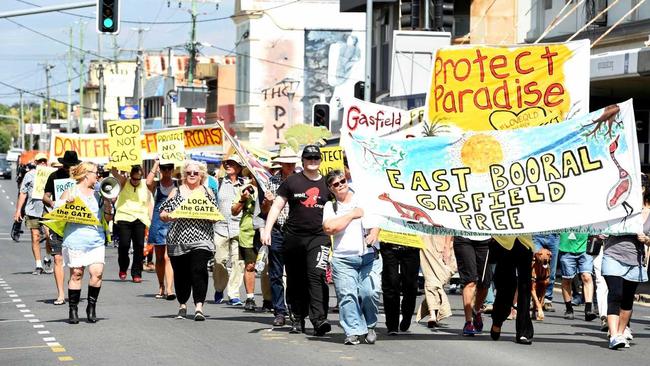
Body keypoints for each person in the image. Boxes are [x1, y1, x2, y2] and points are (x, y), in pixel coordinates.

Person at [261, 144, 332, 336]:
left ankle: (319, 320)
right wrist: (267, 230)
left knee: (316, 276)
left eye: (316, 158)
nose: (312, 161)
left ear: (320, 160)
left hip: (319, 238)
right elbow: (276, 206)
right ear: (303, 161)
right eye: (309, 158)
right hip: (293, 238)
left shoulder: (327, 184)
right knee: (295, 279)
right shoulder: (292, 181)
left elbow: (343, 203)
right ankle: (297, 318)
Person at [322, 169, 381, 345]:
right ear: (330, 188)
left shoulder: (363, 199)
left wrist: (374, 234)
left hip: (369, 257)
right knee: (347, 295)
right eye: (336, 184)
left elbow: (377, 220)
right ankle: (353, 331)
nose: (341, 185)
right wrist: (351, 215)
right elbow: (330, 228)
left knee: (369, 292)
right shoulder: (330, 207)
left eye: (343, 181)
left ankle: (370, 325)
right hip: (343, 258)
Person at [159, 160, 218, 321]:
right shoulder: (176, 191)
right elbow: (162, 213)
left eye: (195, 173)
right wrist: (169, 215)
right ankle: (183, 304)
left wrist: (210, 216)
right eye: (189, 173)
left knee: (199, 270)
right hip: (178, 240)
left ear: (201, 176)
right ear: (184, 175)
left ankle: (199, 306)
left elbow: (216, 215)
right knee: (182, 274)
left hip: (202, 239)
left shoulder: (208, 192)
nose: (192, 175)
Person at [59, 162, 113, 324]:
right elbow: (58, 214)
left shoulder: (99, 194)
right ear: (85, 174)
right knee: (77, 273)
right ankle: (73, 309)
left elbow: (108, 218)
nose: (98, 175)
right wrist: (66, 203)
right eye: (96, 172)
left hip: (96, 240)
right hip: (75, 240)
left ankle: (91, 307)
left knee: (97, 273)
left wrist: (109, 202)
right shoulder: (71, 192)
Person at [602, 175, 650, 349]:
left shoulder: (648, 212)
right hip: (613, 255)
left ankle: (621, 333)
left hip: (634, 260)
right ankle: (614, 335)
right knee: (615, 293)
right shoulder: (620, 206)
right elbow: (605, 223)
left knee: (627, 299)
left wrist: (646, 240)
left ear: (643, 189)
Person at [260, 146, 299, 326]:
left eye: (292, 163)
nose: (290, 166)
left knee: (293, 272)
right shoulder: (273, 181)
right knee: (275, 273)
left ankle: (293, 308)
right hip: (277, 229)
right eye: (287, 163)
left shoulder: (301, 180)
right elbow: (264, 210)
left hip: (295, 230)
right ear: (281, 164)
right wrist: (267, 201)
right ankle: (279, 311)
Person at [43, 151, 81, 306]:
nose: (68, 168)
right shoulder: (54, 176)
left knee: (74, 260)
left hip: (75, 221)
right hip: (57, 220)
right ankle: (61, 294)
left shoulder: (80, 179)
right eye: (66, 166)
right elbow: (45, 196)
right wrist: (52, 203)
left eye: (71, 166)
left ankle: (74, 288)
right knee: (58, 258)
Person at [111, 165, 153, 283]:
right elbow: (114, 173)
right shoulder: (125, 182)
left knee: (139, 246)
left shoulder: (145, 185)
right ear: (130, 176)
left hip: (140, 218)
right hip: (124, 216)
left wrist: (155, 163)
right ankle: (123, 267)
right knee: (124, 245)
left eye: (138, 179)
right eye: (133, 178)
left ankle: (136, 272)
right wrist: (114, 162)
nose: (135, 181)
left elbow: (149, 203)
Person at [489, 236, 535, 345]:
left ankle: (523, 331)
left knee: (525, 287)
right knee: (506, 287)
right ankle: (498, 319)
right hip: (503, 242)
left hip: (524, 242)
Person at [213, 155, 245, 306]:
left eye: (232, 164)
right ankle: (219, 288)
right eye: (227, 163)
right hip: (220, 227)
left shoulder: (245, 183)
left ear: (239, 168)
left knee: (238, 262)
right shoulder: (218, 182)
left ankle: (234, 294)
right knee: (219, 260)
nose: (228, 166)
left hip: (239, 228)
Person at [13, 154, 53, 276]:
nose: (42, 163)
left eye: (44, 161)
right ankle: (38, 265)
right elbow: (23, 193)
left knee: (48, 235)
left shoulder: (50, 174)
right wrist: (18, 210)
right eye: (40, 161)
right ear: (35, 162)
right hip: (32, 209)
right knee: (35, 237)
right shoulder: (29, 175)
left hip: (47, 209)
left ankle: (47, 257)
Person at [231, 168, 265, 311]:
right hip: (249, 231)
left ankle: (269, 299)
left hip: (268, 230)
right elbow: (234, 211)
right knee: (250, 265)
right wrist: (243, 199)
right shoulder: (246, 189)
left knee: (269, 268)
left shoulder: (272, 186)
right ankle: (250, 297)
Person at [146, 161, 177, 300]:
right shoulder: (156, 185)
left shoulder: (177, 184)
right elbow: (148, 182)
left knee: (168, 256)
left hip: (172, 221)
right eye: (164, 168)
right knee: (159, 257)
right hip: (158, 222)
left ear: (172, 169)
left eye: (169, 168)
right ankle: (161, 286)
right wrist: (156, 164)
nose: (167, 171)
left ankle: (170, 288)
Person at [453, 235, 493, 336]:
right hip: (463, 237)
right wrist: (446, 247)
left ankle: (476, 310)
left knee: (485, 284)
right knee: (469, 281)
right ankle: (468, 322)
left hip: (485, 239)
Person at [558, 232, 598, 321]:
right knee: (567, 279)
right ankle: (569, 309)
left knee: (587, 276)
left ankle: (588, 310)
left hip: (585, 248)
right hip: (566, 249)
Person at [532, 234, 560, 312]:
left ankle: (547, 299)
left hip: (553, 236)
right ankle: (534, 299)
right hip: (537, 235)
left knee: (551, 271)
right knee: (535, 265)